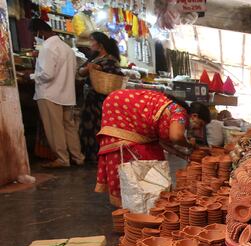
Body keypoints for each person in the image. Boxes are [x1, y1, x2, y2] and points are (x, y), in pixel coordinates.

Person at [95, 89, 210, 206]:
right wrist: (191, 145)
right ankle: (137, 211)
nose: (197, 129)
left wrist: (185, 155)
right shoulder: (180, 112)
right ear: (194, 116)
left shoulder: (171, 110)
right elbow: (176, 137)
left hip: (118, 111)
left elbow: (162, 142)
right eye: (199, 125)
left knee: (151, 161)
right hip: (121, 118)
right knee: (146, 172)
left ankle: (139, 208)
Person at [29, 18, 84, 169]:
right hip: (66, 93)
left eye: (35, 34)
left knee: (55, 128)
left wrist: (33, 76)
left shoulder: (47, 47)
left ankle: (62, 159)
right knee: (69, 127)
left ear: (39, 32)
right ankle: (77, 156)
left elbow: (47, 74)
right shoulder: (67, 48)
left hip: (50, 93)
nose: (35, 37)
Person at [78, 32, 123, 165]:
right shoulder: (93, 59)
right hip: (91, 97)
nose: (90, 44)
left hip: (103, 99)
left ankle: (101, 154)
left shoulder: (110, 60)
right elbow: (81, 71)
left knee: (100, 126)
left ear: (100, 44)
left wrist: (97, 68)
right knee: (89, 126)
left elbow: (113, 74)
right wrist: (89, 69)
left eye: (92, 41)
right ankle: (90, 154)